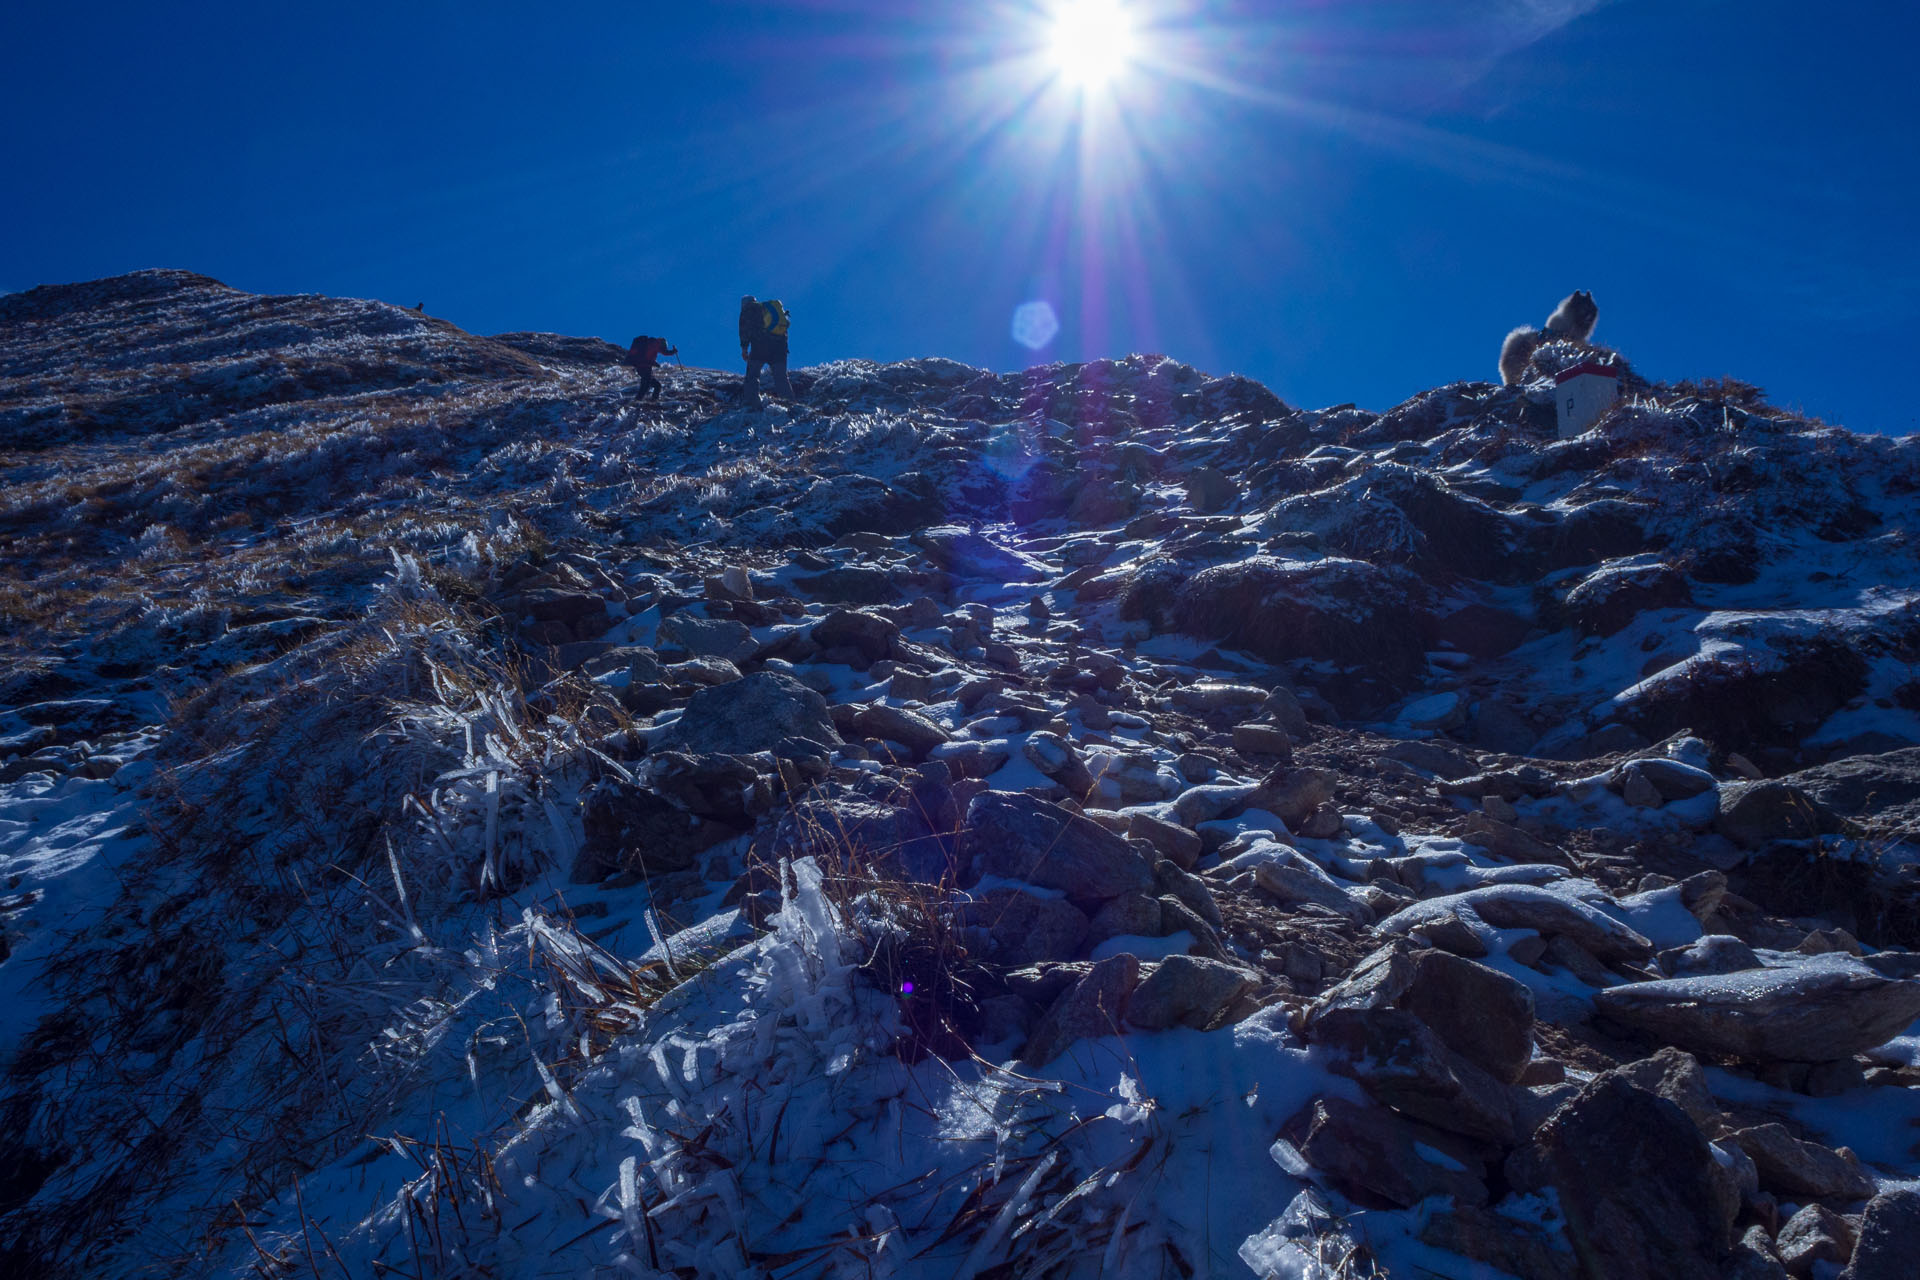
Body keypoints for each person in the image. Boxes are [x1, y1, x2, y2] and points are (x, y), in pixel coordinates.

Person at [738, 294, 793, 403]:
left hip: (760, 347)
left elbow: (744, 332)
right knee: (781, 377)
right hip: (780, 348)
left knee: (752, 376)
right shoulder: (768, 310)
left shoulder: (748, 310)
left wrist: (744, 349)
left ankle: (752, 403)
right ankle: (790, 403)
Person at [624, 334, 678, 400]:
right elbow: (665, 352)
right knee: (649, 386)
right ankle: (646, 401)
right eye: (664, 346)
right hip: (645, 368)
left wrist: (655, 364)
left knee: (651, 385)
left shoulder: (649, 344)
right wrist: (673, 351)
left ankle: (640, 400)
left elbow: (647, 358)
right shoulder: (655, 343)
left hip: (641, 367)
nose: (663, 348)